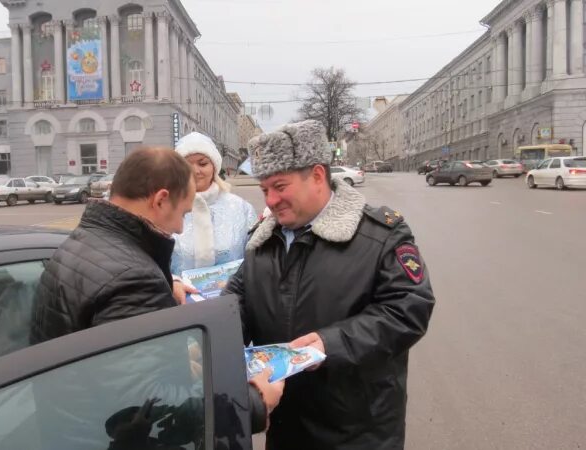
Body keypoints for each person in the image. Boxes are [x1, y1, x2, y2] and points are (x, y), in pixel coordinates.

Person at [30, 147, 283, 441]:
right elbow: (145, 405)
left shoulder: (83, 241)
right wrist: (251, 403)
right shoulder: (132, 279)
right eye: (183, 214)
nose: (178, 229)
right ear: (161, 200)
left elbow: (111, 367)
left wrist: (174, 359)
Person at [224, 120, 436, 449]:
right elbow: (236, 302)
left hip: (356, 432)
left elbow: (408, 310)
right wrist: (210, 342)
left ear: (319, 176)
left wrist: (328, 344)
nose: (271, 200)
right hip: (284, 425)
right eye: (265, 190)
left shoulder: (381, 235)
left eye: (280, 186)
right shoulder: (262, 241)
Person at [171, 132, 258, 303]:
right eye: (187, 165)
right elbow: (150, 258)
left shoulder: (240, 208)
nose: (196, 171)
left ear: (214, 167)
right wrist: (171, 281)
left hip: (234, 303)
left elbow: (256, 257)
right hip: (180, 306)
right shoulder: (166, 207)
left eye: (203, 163)